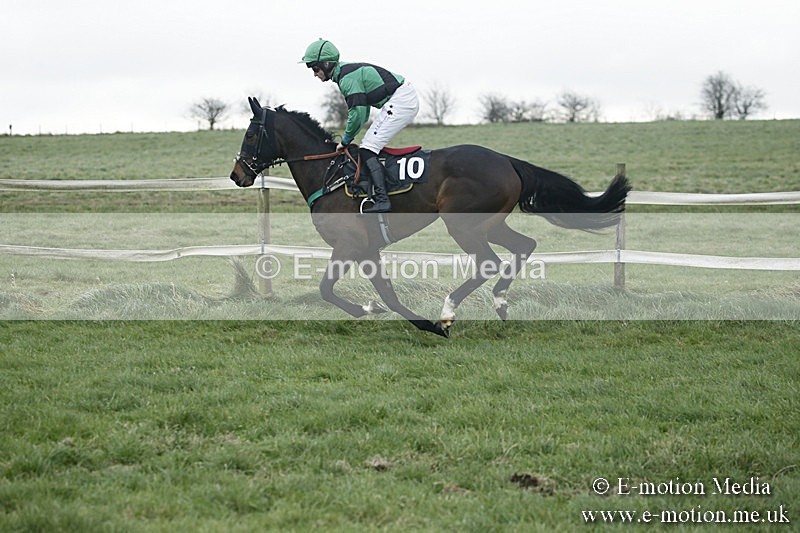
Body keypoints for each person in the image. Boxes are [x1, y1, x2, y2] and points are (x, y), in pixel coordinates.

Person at [301, 39, 419, 213]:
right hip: (402, 98)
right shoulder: (346, 75)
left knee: (368, 149)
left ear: (326, 64)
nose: (314, 74)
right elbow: (362, 114)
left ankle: (382, 199)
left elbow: (357, 113)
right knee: (368, 146)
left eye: (315, 68)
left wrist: (347, 140)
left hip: (402, 100)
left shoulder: (347, 79)